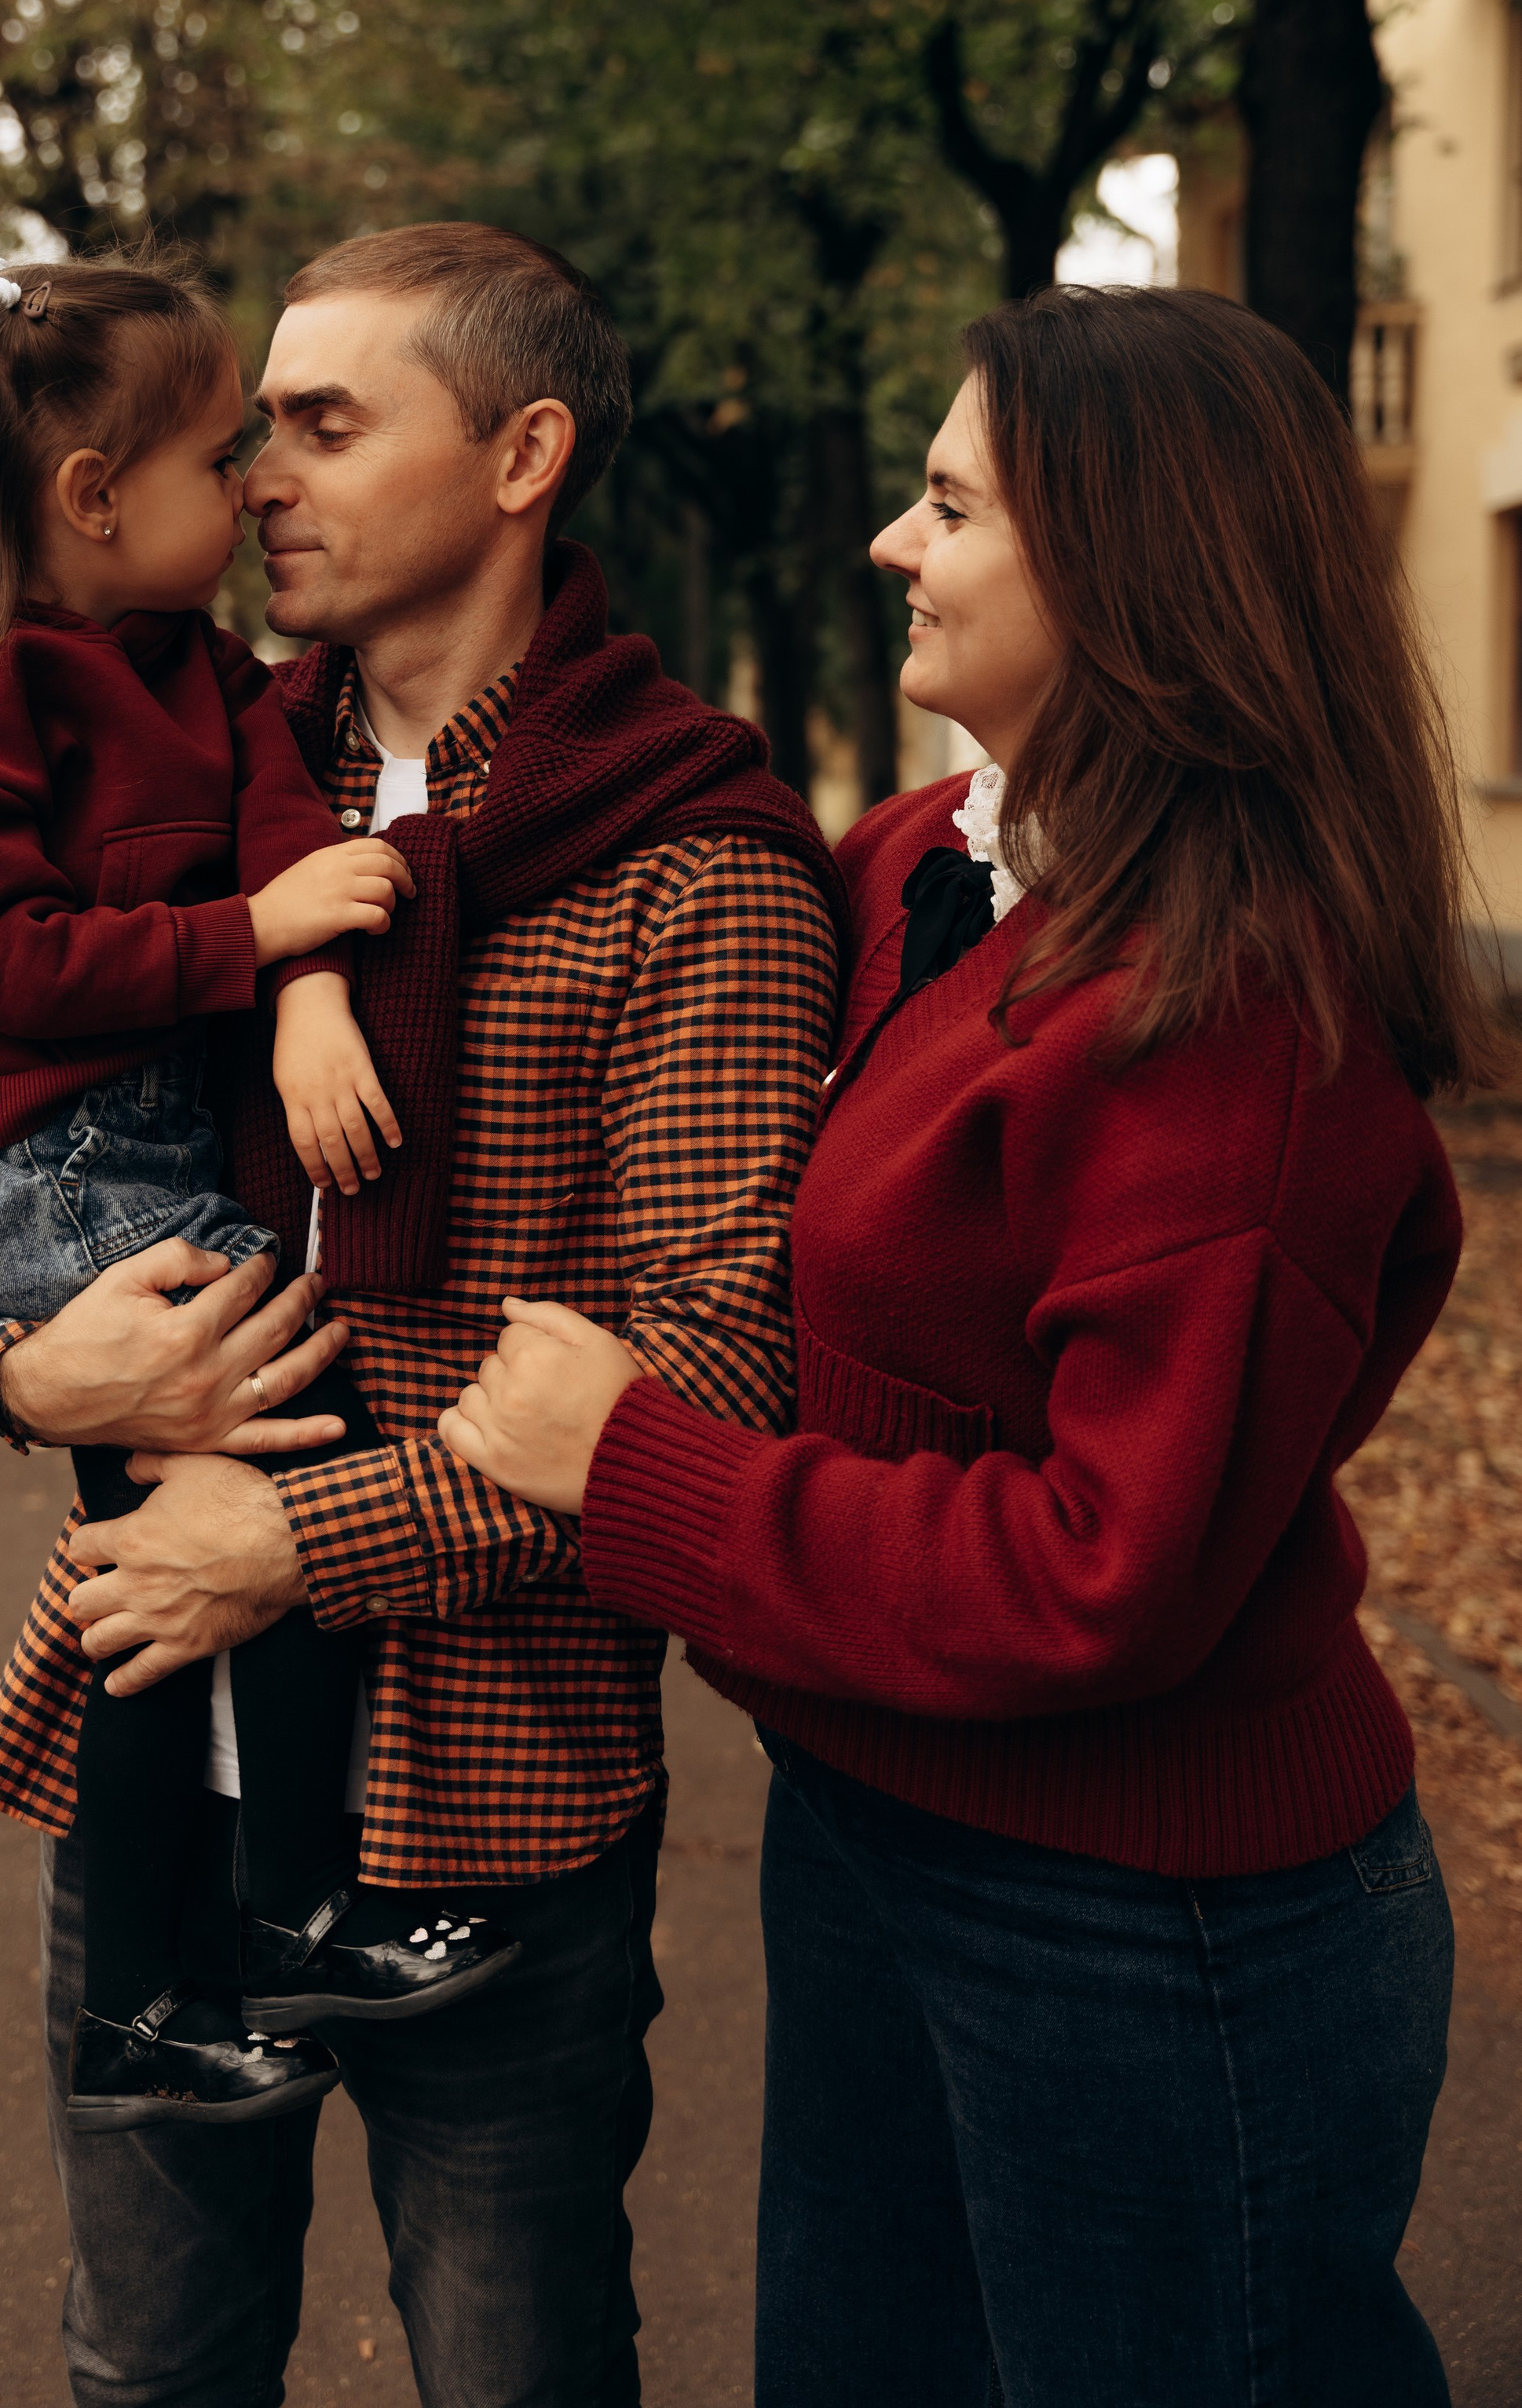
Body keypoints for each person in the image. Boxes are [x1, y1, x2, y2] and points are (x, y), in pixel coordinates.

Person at [440, 285, 1491, 2408]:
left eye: (948, 503)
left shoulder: (1231, 1024)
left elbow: (1107, 1569)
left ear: (1124, 564)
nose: (888, 543)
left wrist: (634, 1463)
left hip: (1143, 1916)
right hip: (872, 1818)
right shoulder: (931, 863)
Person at [0, 222, 849, 2408]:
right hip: (151, 1753)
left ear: (522, 455)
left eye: (326, 422)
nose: (258, 469)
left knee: (516, 2373)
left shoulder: (696, 860)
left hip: (491, 1799)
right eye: (255, 423)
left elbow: (718, 1357)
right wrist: (13, 1365)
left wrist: (296, 1537)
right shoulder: (183, 794)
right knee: (147, 2366)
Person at [0, 230, 516, 2136]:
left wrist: (307, 991)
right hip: (17, 1173)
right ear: (90, 494)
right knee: (270, 1474)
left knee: (188, 1549)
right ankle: (257, 1928)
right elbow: (6, 966)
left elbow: (277, 816)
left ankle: (186, 1970)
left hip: (115, 1151)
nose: (253, 485)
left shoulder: (188, 663)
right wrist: (250, 940)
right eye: (224, 454)